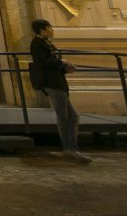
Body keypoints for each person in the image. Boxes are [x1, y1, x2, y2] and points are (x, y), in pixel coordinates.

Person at [29, 18, 91, 163]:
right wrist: (62, 63)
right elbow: (43, 63)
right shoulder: (38, 44)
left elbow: (50, 62)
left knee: (73, 116)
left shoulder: (46, 43)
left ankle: (71, 148)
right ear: (42, 30)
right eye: (49, 28)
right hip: (53, 84)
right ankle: (70, 148)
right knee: (64, 117)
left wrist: (64, 67)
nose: (52, 30)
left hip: (58, 82)